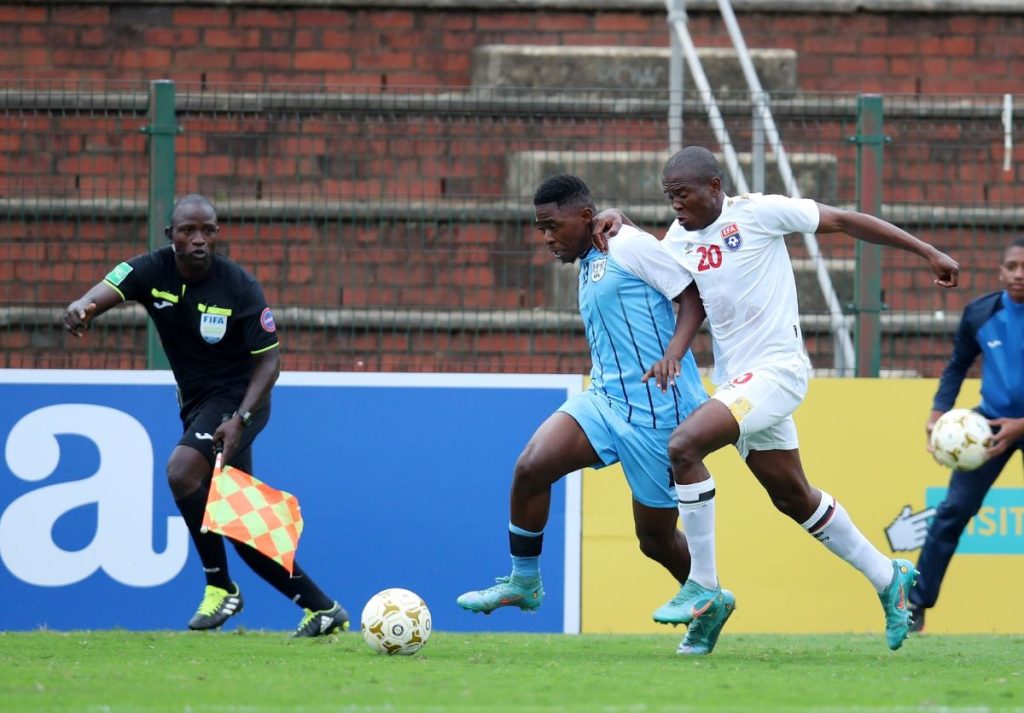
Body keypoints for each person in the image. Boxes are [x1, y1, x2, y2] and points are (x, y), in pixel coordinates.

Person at [594, 146, 960, 651]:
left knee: (684, 446)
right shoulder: (678, 239)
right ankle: (888, 577)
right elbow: (670, 277)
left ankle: (703, 587)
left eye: (683, 194)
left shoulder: (759, 213)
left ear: (714, 187)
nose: (675, 204)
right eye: (668, 196)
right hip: (738, 383)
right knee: (793, 496)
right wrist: (623, 220)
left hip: (778, 371)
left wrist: (928, 252)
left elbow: (844, 220)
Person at [456, 174, 734, 655]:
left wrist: (672, 354)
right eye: (541, 229)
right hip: (603, 400)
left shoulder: (627, 245)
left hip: (658, 412)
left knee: (654, 540)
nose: (547, 238)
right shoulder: (590, 257)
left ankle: (710, 599)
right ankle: (524, 581)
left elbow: (692, 296)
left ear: (585, 216)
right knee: (531, 467)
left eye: (553, 226)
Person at [63, 193, 349, 637]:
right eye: (188, 231)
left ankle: (220, 586)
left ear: (216, 234)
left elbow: (270, 362)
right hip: (197, 403)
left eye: (208, 231)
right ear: (171, 236)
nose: (199, 239)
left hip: (240, 401)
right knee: (236, 517)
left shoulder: (238, 286)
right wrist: (84, 306)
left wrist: (241, 418)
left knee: (181, 473)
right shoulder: (150, 270)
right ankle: (323, 609)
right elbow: (108, 288)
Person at [910, 237, 1024, 632]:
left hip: (1018, 425)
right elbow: (958, 365)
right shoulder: (980, 313)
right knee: (953, 512)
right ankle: (915, 606)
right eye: (1012, 266)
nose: (1019, 274)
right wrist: (937, 414)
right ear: (1001, 271)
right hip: (988, 427)